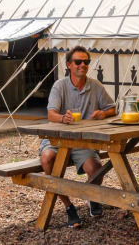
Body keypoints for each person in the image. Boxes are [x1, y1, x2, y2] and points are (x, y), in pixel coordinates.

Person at [39, 45, 116, 228]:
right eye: (78, 61)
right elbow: (51, 114)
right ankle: (68, 207)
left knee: (96, 167)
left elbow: (112, 108)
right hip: (57, 138)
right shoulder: (59, 85)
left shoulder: (95, 86)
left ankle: (91, 197)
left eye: (86, 61)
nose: (82, 65)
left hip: (82, 141)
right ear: (69, 65)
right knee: (47, 158)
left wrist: (104, 114)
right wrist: (62, 118)